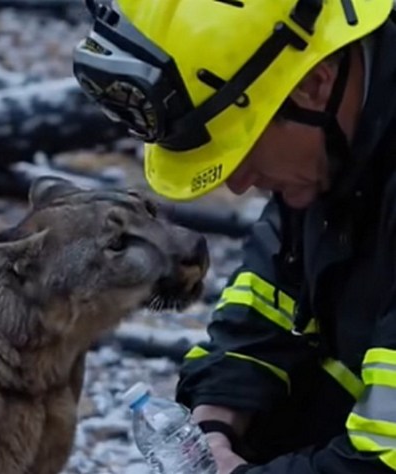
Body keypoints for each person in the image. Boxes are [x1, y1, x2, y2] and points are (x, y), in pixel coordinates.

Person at [72, 0, 396, 473]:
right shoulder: (333, 150)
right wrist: (213, 431)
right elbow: (266, 302)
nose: (240, 183)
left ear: (313, 83)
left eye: (241, 147)